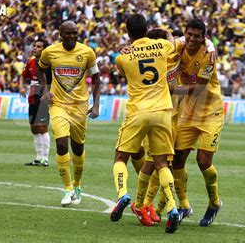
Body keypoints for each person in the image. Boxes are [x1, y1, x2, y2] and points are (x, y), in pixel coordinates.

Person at [110, 14, 179, 234]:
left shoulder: (122, 57)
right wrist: (165, 33)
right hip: (162, 110)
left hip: (138, 111)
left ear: (128, 32)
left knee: (121, 157)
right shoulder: (162, 45)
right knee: (162, 164)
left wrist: (129, 48)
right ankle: (172, 207)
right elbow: (172, 43)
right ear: (147, 28)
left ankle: (122, 194)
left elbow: (124, 73)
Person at [37, 21, 101, 206]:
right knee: (62, 144)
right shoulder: (50, 52)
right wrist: (45, 90)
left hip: (80, 106)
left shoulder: (87, 52)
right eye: (68, 33)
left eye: (75, 33)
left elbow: (96, 79)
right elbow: (40, 70)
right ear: (60, 34)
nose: (72, 36)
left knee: (78, 148)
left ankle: (78, 185)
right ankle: (68, 189)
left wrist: (96, 105)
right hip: (58, 104)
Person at [172, 19, 224, 227]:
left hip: (211, 112)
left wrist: (170, 90)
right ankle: (184, 205)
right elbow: (163, 42)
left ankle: (214, 203)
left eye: (197, 36)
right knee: (177, 159)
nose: (192, 39)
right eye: (189, 34)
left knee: (203, 161)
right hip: (188, 112)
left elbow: (200, 88)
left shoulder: (208, 53)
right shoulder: (179, 44)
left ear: (203, 38)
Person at [19, 39, 52, 167]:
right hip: (32, 96)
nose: (35, 48)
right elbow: (23, 75)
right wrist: (21, 87)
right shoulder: (31, 61)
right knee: (34, 128)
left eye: (38, 46)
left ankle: (45, 158)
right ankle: (38, 157)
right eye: (34, 46)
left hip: (43, 96)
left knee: (42, 127)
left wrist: (49, 93)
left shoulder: (49, 64)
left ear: (44, 50)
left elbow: (54, 80)